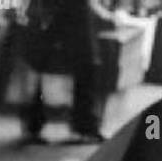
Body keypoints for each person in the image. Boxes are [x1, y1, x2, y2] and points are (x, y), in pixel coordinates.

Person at [19, 0, 123, 144]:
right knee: (83, 69)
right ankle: (83, 127)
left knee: (49, 68)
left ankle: (35, 125)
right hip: (66, 18)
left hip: (62, 18)